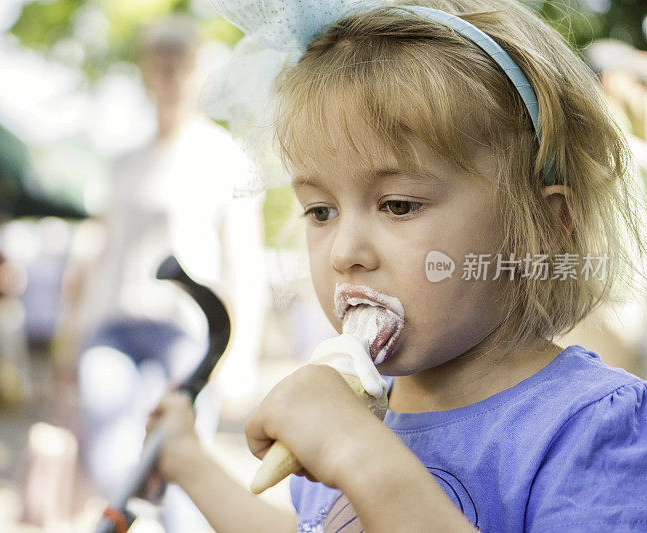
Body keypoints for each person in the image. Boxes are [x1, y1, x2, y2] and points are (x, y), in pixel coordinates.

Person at [147, 0, 647, 531]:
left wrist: (360, 455)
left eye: (399, 205)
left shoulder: (590, 428)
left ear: (541, 228)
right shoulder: (356, 411)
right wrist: (188, 462)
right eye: (321, 211)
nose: (344, 253)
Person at [59, 15, 266, 531]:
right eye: (160, 65)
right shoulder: (125, 160)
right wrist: (71, 335)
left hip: (186, 332)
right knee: (111, 462)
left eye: (180, 65)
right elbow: (98, 253)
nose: (169, 76)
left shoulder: (222, 156)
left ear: (196, 72)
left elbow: (245, 260)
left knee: (179, 470)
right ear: (147, 71)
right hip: (113, 326)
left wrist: (240, 355)